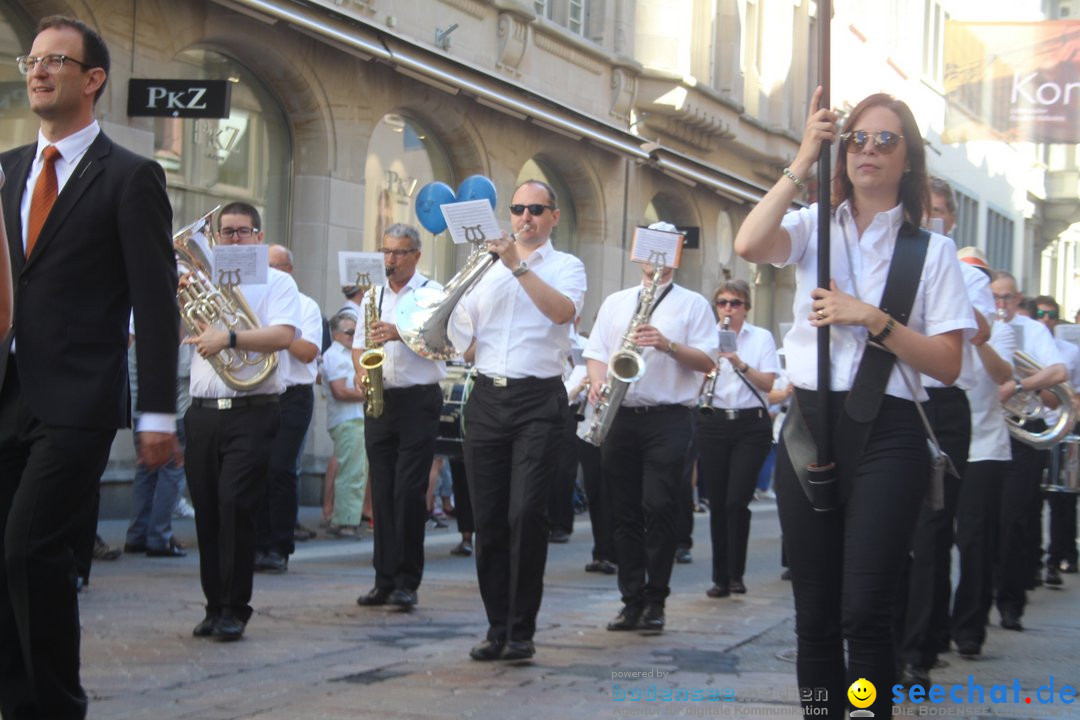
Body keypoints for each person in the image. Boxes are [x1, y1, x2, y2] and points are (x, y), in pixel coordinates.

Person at [734, 88, 973, 718]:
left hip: (889, 430)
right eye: (857, 139)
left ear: (908, 159)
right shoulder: (814, 226)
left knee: (865, 610)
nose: (869, 150)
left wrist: (873, 319)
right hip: (810, 423)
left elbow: (949, 363)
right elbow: (749, 244)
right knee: (813, 614)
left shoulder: (934, 251)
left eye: (885, 140)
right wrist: (804, 155)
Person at [0, 15, 180, 719]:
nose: (38, 71)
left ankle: (57, 706)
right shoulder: (9, 168)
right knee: (3, 561)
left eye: (56, 61)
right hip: (7, 391)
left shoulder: (131, 177)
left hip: (78, 399)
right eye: (31, 61)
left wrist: (157, 413)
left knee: (29, 550)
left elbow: (155, 304)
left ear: (92, 79)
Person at [457, 179, 586, 661]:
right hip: (488, 396)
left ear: (553, 217)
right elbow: (463, 337)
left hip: (538, 400)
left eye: (536, 209)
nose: (525, 216)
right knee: (488, 518)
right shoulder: (482, 268)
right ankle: (497, 628)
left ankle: (521, 628)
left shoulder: (567, 266)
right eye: (517, 208)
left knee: (526, 513)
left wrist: (517, 267)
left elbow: (562, 314)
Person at [584, 221, 716, 635]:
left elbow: (709, 362)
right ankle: (631, 600)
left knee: (658, 505)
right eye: (649, 248)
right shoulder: (617, 301)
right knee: (621, 509)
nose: (655, 258)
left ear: (675, 254)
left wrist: (667, 345)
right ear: (639, 253)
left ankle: (656, 599)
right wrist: (597, 381)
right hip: (621, 414)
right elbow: (596, 352)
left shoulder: (693, 304)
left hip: (669, 416)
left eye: (665, 248)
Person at [184, 202, 300, 642]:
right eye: (226, 233)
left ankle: (236, 607)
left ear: (258, 235)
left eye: (242, 232)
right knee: (208, 512)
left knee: (235, 504)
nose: (234, 240)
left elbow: (284, 336)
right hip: (203, 413)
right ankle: (214, 606)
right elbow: (178, 334)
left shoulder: (278, 281)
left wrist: (230, 337)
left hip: (253, 410)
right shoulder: (201, 280)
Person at [352, 223, 446, 610]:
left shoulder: (432, 294)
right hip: (381, 397)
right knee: (382, 490)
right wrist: (362, 373)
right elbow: (359, 344)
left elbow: (443, 344)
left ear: (416, 256)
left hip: (419, 400)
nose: (390, 260)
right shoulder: (372, 294)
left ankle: (408, 579)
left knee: (407, 491)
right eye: (386, 252)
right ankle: (383, 578)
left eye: (399, 253)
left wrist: (400, 333)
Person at [988, 270, 1066, 631]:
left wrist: (1019, 383)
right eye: (996, 297)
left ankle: (1009, 601)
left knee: (1013, 519)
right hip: (980, 428)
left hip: (1021, 434)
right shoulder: (977, 325)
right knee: (976, 524)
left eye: (1008, 297)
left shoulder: (1032, 331)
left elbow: (1057, 374)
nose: (1001, 304)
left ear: (1019, 300)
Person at [696, 279, 779, 599]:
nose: (728, 309)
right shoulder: (705, 338)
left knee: (735, 501)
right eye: (722, 303)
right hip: (713, 422)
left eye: (735, 303)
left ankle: (736, 575)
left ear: (746, 308)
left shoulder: (761, 338)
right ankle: (720, 577)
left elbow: (768, 383)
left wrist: (738, 361)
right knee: (717, 503)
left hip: (750, 425)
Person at [254, 244, 322, 573]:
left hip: (294, 394)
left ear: (289, 271)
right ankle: (256, 540)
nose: (270, 273)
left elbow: (308, 351)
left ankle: (279, 545)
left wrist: (277, 332)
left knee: (281, 468)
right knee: (255, 469)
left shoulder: (305, 305)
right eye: (264, 266)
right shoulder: (254, 302)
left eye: (276, 267)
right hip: (260, 392)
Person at [1032, 293, 1078, 587]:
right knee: (1032, 500)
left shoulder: (1070, 352)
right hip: (1034, 427)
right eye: (1040, 313)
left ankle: (1059, 557)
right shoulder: (1028, 343)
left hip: (1061, 430)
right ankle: (1034, 560)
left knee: (1064, 499)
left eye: (1051, 314)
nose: (1046, 319)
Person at [322, 311, 367, 537]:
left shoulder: (346, 354)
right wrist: (368, 395)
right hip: (347, 419)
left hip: (352, 418)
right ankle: (345, 521)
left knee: (354, 470)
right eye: (350, 332)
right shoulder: (336, 356)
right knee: (352, 472)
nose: (354, 336)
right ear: (336, 334)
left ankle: (344, 518)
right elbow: (340, 391)